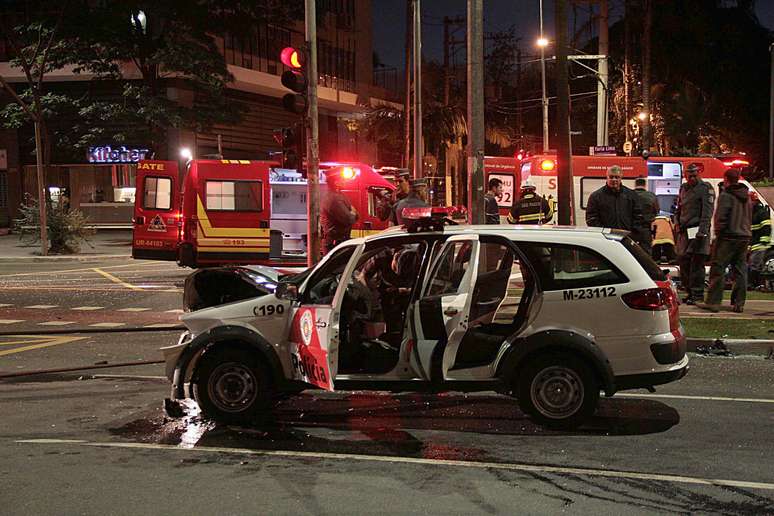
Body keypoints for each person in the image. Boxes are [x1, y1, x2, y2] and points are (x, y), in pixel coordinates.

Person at [700, 169, 751, 313]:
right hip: (744, 237)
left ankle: (713, 302)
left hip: (728, 237)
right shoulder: (746, 196)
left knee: (718, 268)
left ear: (726, 179)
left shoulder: (726, 195)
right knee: (740, 270)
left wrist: (718, 234)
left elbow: (721, 218)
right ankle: (739, 303)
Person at [674, 163, 715, 305]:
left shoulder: (705, 188)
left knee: (697, 263)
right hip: (685, 231)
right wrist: (677, 223)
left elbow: (707, 212)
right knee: (683, 261)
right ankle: (689, 291)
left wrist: (702, 231)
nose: (691, 178)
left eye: (694, 175)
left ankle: (697, 294)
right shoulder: (683, 188)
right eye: (689, 175)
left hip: (697, 230)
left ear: (699, 174)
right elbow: (678, 208)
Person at [585, 165, 642, 231]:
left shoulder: (631, 195)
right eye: (611, 177)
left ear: (621, 178)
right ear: (607, 177)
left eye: (617, 177)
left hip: (627, 237)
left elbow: (638, 216)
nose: (614, 179)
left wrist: (633, 232)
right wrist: (603, 232)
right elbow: (591, 219)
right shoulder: (596, 197)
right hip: (605, 238)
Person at [321, 170, 358, 254]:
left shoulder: (340, 195)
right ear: (336, 182)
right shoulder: (334, 198)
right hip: (335, 243)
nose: (345, 182)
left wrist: (353, 213)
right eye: (342, 180)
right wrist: (353, 212)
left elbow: (356, 215)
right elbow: (349, 219)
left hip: (339, 242)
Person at [748, 191, 772, 290]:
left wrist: (763, 242)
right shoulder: (753, 212)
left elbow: (766, 228)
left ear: (753, 201)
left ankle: (753, 284)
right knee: (754, 264)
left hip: (760, 245)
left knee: (754, 265)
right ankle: (756, 284)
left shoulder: (761, 212)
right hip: (755, 244)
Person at [632, 176, 659, 256]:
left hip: (632, 229)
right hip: (646, 229)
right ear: (645, 185)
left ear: (635, 184)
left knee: (632, 252)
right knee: (646, 253)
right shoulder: (652, 196)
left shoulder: (629, 195)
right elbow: (656, 211)